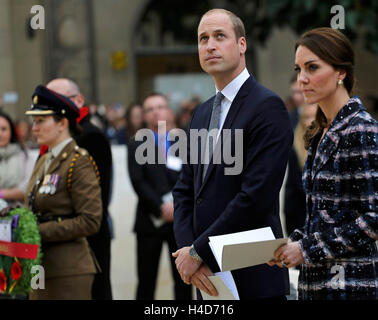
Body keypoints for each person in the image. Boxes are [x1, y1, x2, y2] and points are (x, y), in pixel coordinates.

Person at [172, 9, 292, 300]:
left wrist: (198, 251)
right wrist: (190, 255)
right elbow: (184, 190)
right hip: (209, 278)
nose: (210, 45)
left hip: (252, 271)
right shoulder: (201, 113)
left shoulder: (267, 107)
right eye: (203, 38)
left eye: (219, 36)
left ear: (241, 44)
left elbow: (256, 195)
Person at [269, 27, 378, 300]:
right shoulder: (321, 132)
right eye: (298, 69)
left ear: (341, 72)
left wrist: (306, 249)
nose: (302, 79)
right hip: (315, 285)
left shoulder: (360, 129)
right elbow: (323, 218)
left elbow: (373, 218)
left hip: (351, 286)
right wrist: (291, 244)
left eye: (312, 68)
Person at [25, 85, 102, 299]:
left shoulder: (78, 161)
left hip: (68, 269)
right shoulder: (43, 161)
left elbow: (90, 220)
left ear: (62, 123)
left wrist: (38, 231)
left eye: (41, 121)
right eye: (34, 121)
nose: (34, 128)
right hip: (38, 266)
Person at [45, 78, 113, 300]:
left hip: (86, 239)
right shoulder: (55, 139)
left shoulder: (90, 137)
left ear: (79, 100)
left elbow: (95, 200)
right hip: (62, 238)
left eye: (57, 100)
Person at [127, 92, 192, 300]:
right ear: (144, 116)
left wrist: (178, 207)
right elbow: (138, 181)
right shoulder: (137, 143)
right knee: (146, 281)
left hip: (180, 221)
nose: (155, 112)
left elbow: (192, 177)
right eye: (149, 109)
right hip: (150, 220)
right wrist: (160, 207)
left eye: (160, 107)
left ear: (169, 111)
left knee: (184, 280)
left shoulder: (185, 140)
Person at [284, 104, 317, 236]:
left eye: (314, 117)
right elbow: (291, 189)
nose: (310, 121)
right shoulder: (295, 147)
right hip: (301, 216)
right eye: (306, 117)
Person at [0, 110, 35, 209]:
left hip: (18, 213)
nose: (0, 134)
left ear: (11, 131)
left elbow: (27, 188)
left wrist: (1, 194)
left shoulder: (26, 155)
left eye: (4, 129)